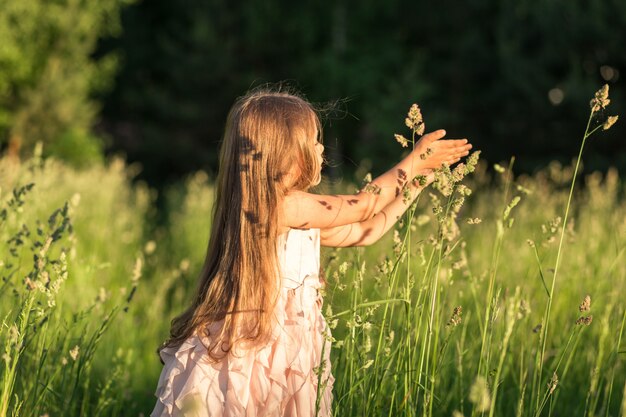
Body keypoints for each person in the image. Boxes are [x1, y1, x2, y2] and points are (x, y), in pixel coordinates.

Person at [150, 88, 472, 417]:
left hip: (287, 353)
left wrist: (415, 184)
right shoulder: (281, 206)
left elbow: (366, 232)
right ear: (285, 151)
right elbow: (364, 206)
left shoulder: (294, 212)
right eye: (314, 140)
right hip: (259, 352)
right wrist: (414, 160)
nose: (321, 148)